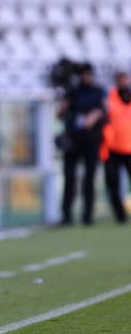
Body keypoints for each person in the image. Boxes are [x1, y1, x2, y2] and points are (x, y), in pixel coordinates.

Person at [57, 62, 105, 226]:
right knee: (70, 178)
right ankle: (66, 215)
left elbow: (102, 112)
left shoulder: (97, 92)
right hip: (73, 140)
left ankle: (88, 215)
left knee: (89, 178)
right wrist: (63, 106)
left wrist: (95, 115)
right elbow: (61, 115)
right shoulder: (72, 92)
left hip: (91, 140)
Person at [101, 71, 131, 223]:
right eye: (120, 80)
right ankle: (120, 215)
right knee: (112, 182)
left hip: (130, 148)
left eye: (125, 80)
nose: (123, 83)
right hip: (112, 148)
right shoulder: (110, 97)